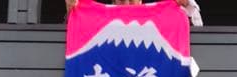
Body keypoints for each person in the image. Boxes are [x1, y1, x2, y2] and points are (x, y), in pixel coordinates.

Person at [65, 0, 203, 25]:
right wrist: (72, 10)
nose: (127, 5)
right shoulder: (99, 18)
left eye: (131, 0)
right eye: (122, 1)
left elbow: (195, 22)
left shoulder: (156, 16)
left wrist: (185, 3)